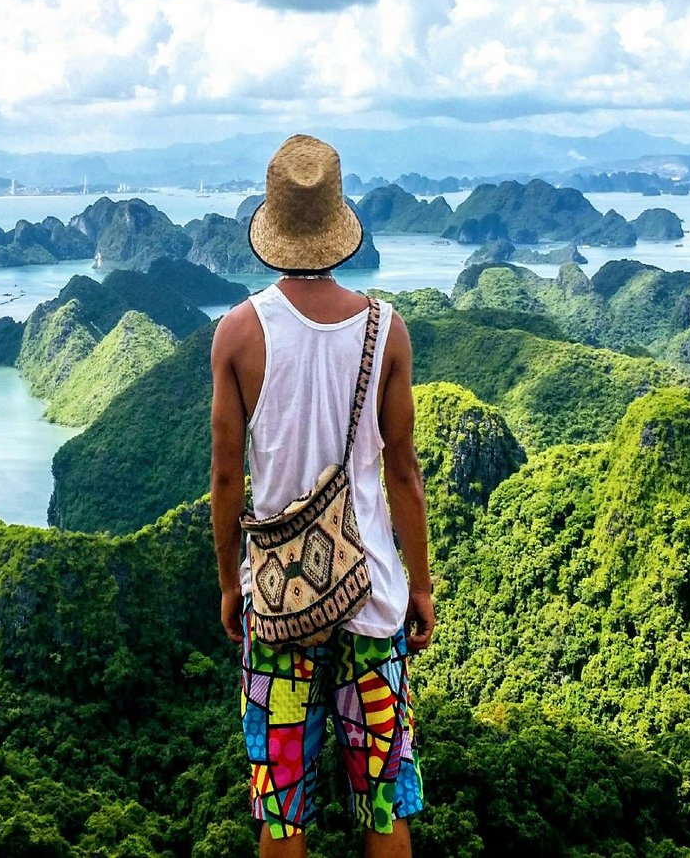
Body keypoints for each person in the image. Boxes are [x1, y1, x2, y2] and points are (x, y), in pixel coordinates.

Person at [210, 133, 435, 857]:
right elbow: (403, 474)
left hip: (277, 603)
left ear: (273, 230)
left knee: (282, 809)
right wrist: (422, 587)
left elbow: (224, 481)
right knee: (384, 804)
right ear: (338, 227)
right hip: (371, 594)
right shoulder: (385, 330)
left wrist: (228, 586)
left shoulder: (238, 334)